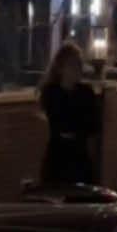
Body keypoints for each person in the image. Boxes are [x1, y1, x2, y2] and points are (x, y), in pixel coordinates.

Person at [39, 41, 100, 186]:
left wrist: (77, 130)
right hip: (58, 159)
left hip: (81, 159)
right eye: (73, 65)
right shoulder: (51, 93)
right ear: (61, 68)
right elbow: (61, 125)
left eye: (79, 64)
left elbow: (93, 125)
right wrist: (77, 127)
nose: (77, 69)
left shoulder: (86, 92)